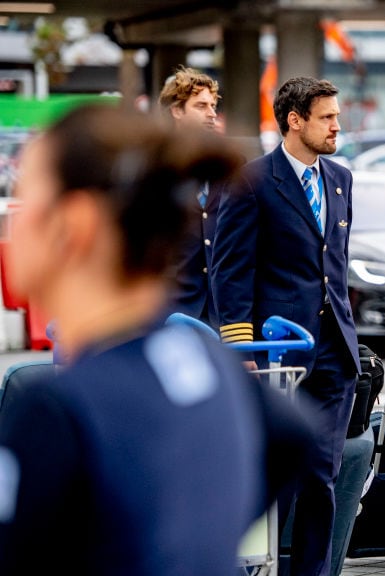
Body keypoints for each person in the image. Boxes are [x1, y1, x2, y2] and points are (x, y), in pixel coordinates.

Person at [0, 105, 312, 575]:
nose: (13, 218)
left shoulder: (55, 408)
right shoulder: (207, 356)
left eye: (25, 195)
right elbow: (292, 435)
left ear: (74, 224)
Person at [212, 76, 361, 576]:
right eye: (327, 117)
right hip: (276, 356)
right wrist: (240, 346)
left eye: (337, 116)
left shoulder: (340, 178)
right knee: (276, 476)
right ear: (294, 120)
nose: (337, 125)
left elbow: (333, 267)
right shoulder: (250, 180)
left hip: (335, 356)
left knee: (322, 474)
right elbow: (231, 272)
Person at [158, 66, 223, 326]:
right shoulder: (153, 168)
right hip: (169, 312)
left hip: (221, 314)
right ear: (177, 111)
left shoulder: (229, 165)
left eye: (213, 105)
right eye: (201, 106)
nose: (211, 114)